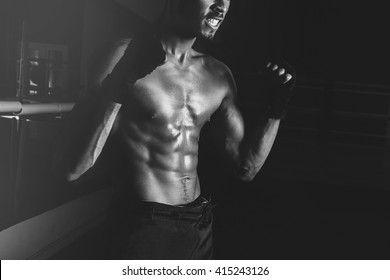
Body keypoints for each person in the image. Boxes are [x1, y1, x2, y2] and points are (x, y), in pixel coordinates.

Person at [53, 0, 296, 259]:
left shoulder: (218, 74)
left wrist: (275, 108)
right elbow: (72, 169)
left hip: (199, 224)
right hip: (144, 223)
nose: (221, 7)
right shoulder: (121, 55)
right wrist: (120, 83)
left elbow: (246, 168)